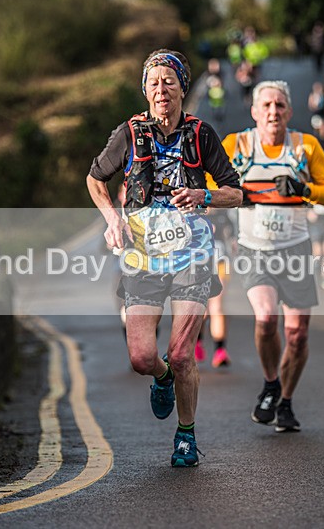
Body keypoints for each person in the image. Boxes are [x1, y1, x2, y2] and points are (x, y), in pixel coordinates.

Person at [86, 49, 243, 466]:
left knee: (183, 352)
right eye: (153, 82)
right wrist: (112, 219)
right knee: (141, 357)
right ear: (145, 90)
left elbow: (236, 192)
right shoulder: (130, 133)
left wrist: (203, 194)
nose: (160, 89)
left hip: (192, 253)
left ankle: (186, 436)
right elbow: (95, 178)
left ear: (181, 89)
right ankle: (162, 378)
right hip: (142, 257)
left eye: (168, 82)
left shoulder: (200, 134)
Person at [222, 80, 324, 433]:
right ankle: (270, 382)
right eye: (267, 106)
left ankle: (285, 402)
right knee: (265, 318)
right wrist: (237, 194)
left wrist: (305, 189)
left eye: (279, 106)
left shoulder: (305, 146)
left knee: (298, 335)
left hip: (296, 250)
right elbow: (211, 185)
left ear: (289, 112)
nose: (273, 112)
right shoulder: (238, 145)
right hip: (254, 249)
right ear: (254, 112)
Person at [195, 209, 236, 367]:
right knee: (202, 308)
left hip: (220, 263)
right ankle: (197, 343)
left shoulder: (224, 215)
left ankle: (220, 350)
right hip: (198, 264)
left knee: (217, 306)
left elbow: (233, 240)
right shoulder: (192, 212)